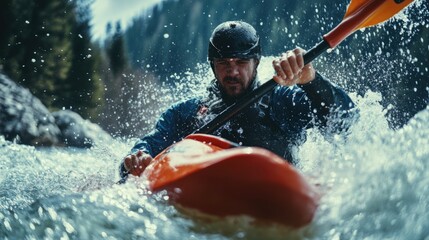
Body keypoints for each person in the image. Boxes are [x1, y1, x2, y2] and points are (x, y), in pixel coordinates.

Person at [119, 20, 357, 179]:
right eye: (224, 63)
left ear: (256, 63)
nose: (232, 72)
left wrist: (311, 80)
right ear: (213, 66)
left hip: (275, 192)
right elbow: (142, 153)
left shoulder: (283, 100)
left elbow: (346, 121)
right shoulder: (185, 113)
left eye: (241, 63)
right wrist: (137, 159)